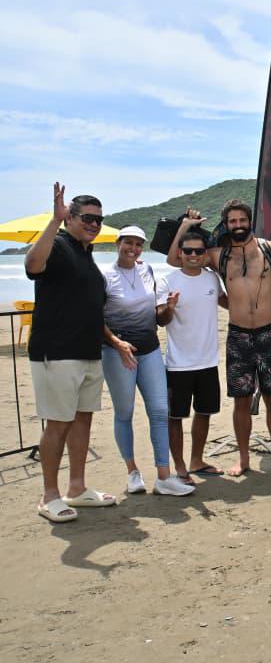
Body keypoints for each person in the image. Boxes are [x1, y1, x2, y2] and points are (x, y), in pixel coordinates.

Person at [167, 200, 271, 477]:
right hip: (238, 336)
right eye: (232, 222)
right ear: (226, 225)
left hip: (270, 333)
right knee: (241, 399)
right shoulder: (218, 255)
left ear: (250, 221)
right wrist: (186, 227)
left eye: (242, 220)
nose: (238, 226)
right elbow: (176, 259)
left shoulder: (270, 250)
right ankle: (244, 457)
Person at [27, 184, 116, 522]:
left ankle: (76, 488)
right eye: (88, 218)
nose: (94, 224)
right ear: (70, 218)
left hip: (87, 353)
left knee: (82, 419)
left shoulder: (84, 252)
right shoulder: (59, 245)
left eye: (99, 219)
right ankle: (49, 496)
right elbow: (33, 265)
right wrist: (53, 222)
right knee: (58, 424)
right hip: (57, 353)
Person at [102, 226, 195, 496]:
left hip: (150, 348)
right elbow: (95, 319)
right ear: (117, 244)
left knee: (158, 411)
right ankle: (133, 473)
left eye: (138, 244)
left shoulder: (147, 270)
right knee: (125, 413)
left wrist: (170, 308)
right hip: (118, 352)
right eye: (128, 243)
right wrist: (117, 344)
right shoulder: (105, 275)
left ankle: (164, 477)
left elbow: (158, 318)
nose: (133, 248)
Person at [156, 227, 227, 479]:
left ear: (205, 253)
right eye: (188, 251)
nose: (194, 255)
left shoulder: (211, 278)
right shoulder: (168, 281)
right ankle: (179, 466)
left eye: (199, 250)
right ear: (180, 253)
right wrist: (170, 309)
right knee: (175, 417)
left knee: (204, 412)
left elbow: (227, 302)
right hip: (178, 364)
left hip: (208, 361)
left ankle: (196, 460)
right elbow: (161, 320)